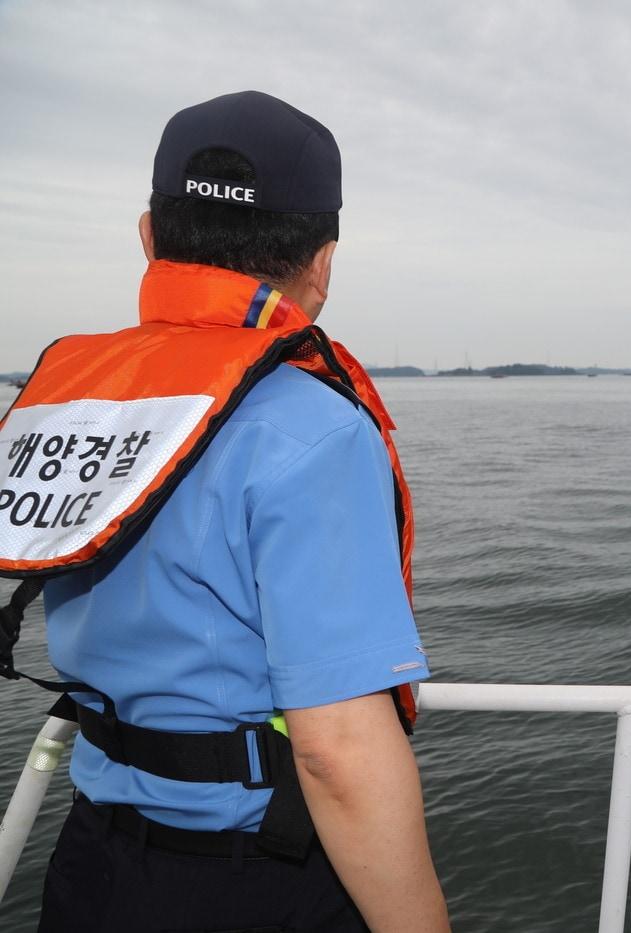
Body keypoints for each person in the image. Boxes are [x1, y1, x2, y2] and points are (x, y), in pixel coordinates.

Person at [0, 91, 450, 931]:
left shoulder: (74, 405)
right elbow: (336, 749)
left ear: (148, 235)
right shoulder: (311, 428)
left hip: (91, 864)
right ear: (322, 261)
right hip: (254, 884)